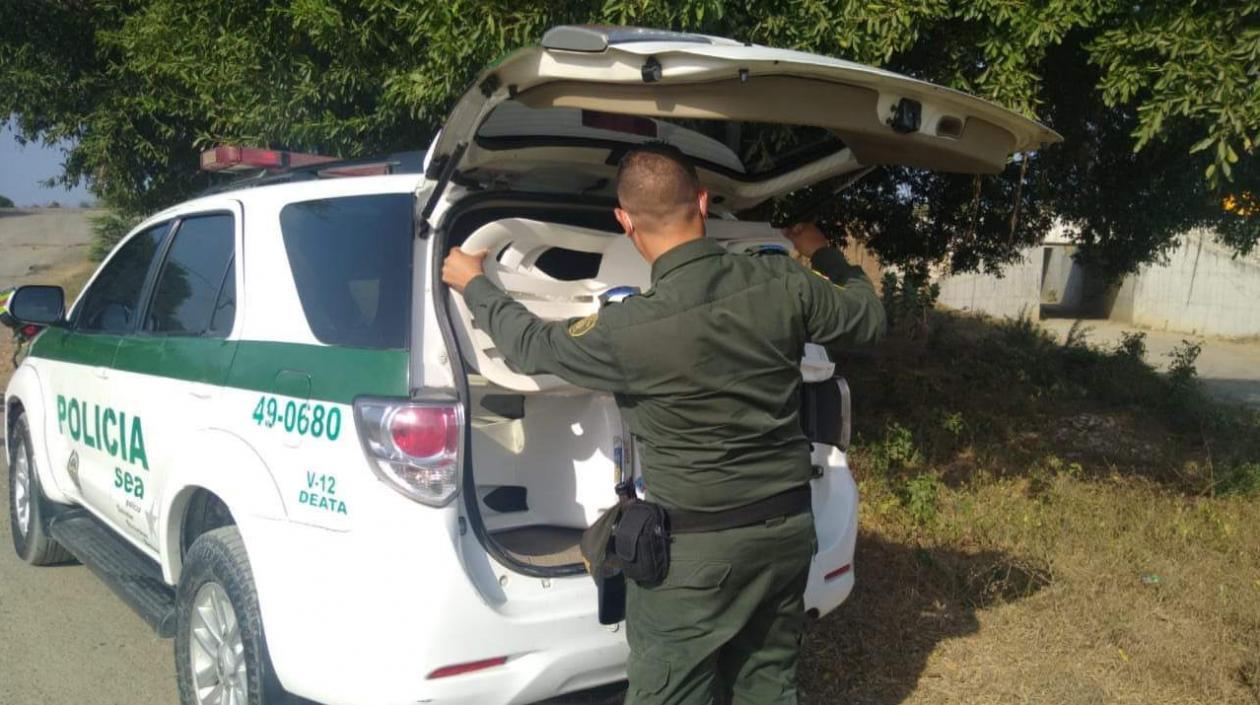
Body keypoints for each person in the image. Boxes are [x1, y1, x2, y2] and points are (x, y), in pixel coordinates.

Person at [442, 143, 885, 705]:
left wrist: (473, 282)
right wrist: (822, 252)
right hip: (786, 535)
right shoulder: (782, 284)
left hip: (696, 556)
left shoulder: (628, 329)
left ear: (624, 221)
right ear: (701, 201)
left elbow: (530, 347)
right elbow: (868, 317)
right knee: (769, 685)